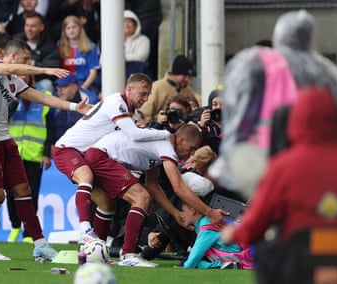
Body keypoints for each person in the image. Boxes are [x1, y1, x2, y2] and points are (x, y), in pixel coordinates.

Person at [0, 33, 90, 261]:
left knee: (11, 192)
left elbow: (41, 97)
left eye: (29, 60)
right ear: (7, 55)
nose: (28, 64)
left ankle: (38, 243)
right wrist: (45, 70)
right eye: (26, 59)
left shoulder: (12, 80)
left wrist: (72, 106)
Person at [209, 10, 337, 199]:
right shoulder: (328, 73)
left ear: (279, 36)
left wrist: (227, 160)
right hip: (318, 162)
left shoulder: (256, 66)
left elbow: (240, 116)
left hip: (267, 160)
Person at [220, 86, 337, 256]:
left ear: (294, 119)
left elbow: (261, 213)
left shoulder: (282, 165)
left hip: (299, 258)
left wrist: (237, 233)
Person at [53, 73, 171, 245]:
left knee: (108, 204)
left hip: (89, 156)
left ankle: (97, 248)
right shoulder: (115, 102)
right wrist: (167, 134)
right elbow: (134, 134)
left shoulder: (132, 114)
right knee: (86, 176)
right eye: (143, 93)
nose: (145, 99)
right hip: (67, 149)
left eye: (148, 95)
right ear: (129, 89)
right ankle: (84, 230)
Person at [85, 124, 227, 267]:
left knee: (109, 204)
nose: (192, 154)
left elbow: (153, 185)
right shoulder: (166, 146)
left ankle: (97, 253)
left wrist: (175, 213)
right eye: (192, 148)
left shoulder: (158, 146)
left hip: (98, 154)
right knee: (142, 197)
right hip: (101, 156)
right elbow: (179, 188)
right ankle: (129, 255)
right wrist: (210, 212)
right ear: (181, 140)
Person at [141, 145, 217, 261]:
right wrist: (156, 232)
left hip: (199, 236)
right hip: (178, 228)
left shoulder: (209, 189)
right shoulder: (188, 185)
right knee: (148, 251)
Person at [6, 74, 53, 243]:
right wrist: (13, 99)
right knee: (11, 193)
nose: (22, 77)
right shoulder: (7, 95)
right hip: (12, 154)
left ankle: (28, 232)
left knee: (31, 194)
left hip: (35, 154)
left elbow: (50, 127)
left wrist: (47, 153)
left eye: (25, 74)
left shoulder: (43, 96)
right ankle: (15, 226)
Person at [181, 198, 253, 269]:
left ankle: (222, 265)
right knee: (193, 261)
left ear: (192, 211)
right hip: (242, 253)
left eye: (183, 211)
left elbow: (195, 255)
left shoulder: (206, 225)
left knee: (192, 261)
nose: (181, 215)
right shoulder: (205, 223)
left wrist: (185, 267)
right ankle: (222, 265)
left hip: (245, 257)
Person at [139, 55, 200, 122]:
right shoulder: (158, 87)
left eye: (189, 77)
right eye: (185, 76)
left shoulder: (188, 89)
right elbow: (144, 114)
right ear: (175, 74)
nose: (187, 79)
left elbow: (198, 104)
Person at [13, 11, 60, 93]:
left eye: (33, 26)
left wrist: (32, 63)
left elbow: (52, 69)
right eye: (27, 25)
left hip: (39, 80)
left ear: (41, 27)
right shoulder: (16, 41)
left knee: (47, 84)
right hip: (18, 77)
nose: (29, 29)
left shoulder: (49, 46)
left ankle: (45, 107)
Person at [58, 15, 100, 104]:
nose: (71, 30)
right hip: (65, 84)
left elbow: (93, 72)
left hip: (85, 84)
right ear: (64, 31)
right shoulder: (60, 46)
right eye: (68, 28)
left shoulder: (90, 46)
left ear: (80, 28)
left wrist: (82, 88)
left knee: (92, 102)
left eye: (74, 27)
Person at [51, 72, 84, 143]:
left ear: (74, 88)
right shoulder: (53, 101)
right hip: (58, 146)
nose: (59, 90)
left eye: (64, 86)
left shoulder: (89, 100)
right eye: (58, 86)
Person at [124, 9, 152, 79]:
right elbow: (103, 60)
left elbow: (141, 57)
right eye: (123, 22)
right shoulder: (113, 42)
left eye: (129, 22)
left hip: (137, 74)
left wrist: (121, 58)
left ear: (136, 25)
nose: (126, 24)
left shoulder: (143, 39)